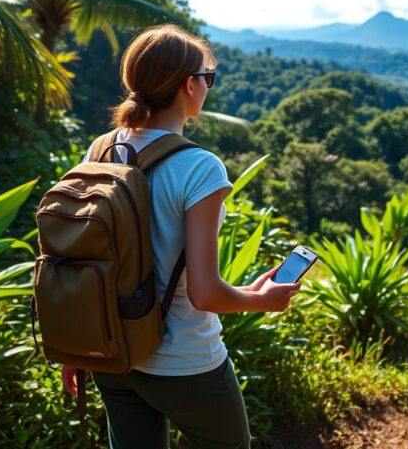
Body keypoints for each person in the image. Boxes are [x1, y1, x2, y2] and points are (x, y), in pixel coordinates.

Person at [61, 24, 300, 449]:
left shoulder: (101, 149)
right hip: (185, 363)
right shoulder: (199, 168)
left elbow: (83, 257)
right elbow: (205, 295)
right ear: (190, 86)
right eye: (208, 77)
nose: (208, 86)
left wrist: (79, 348)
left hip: (112, 351)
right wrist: (262, 300)